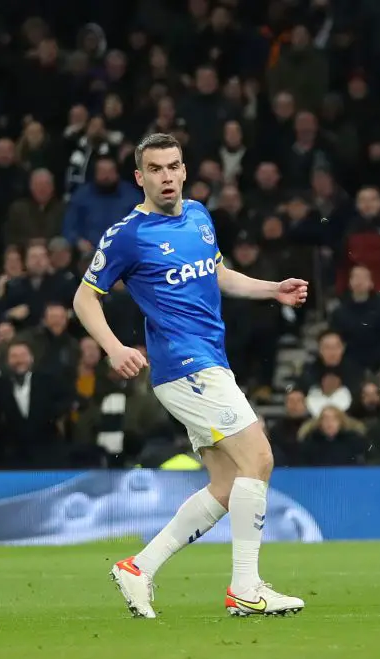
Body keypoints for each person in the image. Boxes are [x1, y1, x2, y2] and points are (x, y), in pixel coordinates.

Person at [72, 133, 308, 618]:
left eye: (173, 167)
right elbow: (83, 298)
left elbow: (216, 273)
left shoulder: (200, 216)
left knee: (226, 485)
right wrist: (115, 348)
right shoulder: (128, 234)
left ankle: (139, 567)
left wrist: (271, 289)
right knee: (258, 458)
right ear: (140, 178)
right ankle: (246, 587)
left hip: (210, 361)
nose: (166, 177)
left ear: (184, 170)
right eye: (154, 169)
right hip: (184, 366)